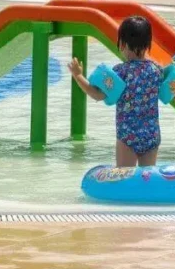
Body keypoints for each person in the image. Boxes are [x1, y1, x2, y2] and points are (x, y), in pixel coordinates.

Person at [68, 16, 161, 167]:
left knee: (124, 177)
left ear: (122, 44)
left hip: (128, 136)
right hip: (151, 134)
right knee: (147, 179)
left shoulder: (120, 72)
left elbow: (97, 94)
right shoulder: (156, 70)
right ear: (148, 44)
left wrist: (78, 76)